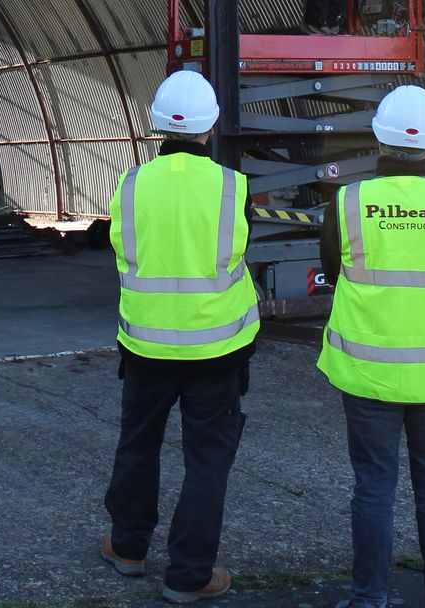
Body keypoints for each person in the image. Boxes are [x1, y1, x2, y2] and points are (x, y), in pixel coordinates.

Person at [100, 69, 259, 604]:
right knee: (207, 460)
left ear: (156, 127)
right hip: (217, 348)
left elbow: (124, 253)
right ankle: (189, 576)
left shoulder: (131, 184)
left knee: (138, 444)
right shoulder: (233, 188)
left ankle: (127, 548)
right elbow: (238, 252)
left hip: (145, 346)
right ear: (211, 128)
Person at [316, 84, 425, 608]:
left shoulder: (349, 202)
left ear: (379, 139)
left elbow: (335, 273)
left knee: (375, 487)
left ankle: (370, 599)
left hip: (370, 374)